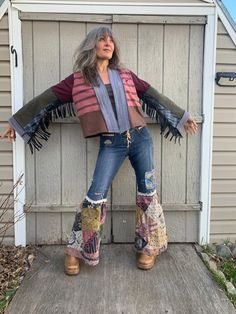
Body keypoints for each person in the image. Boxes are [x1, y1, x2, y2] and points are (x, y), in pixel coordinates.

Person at [0, 26, 198, 275]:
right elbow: (46, 100)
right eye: (102, 39)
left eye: (111, 40)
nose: (108, 43)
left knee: (148, 192)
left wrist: (181, 116)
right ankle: (77, 250)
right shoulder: (78, 79)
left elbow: (153, 96)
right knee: (95, 195)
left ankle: (148, 247)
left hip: (140, 139)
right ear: (92, 45)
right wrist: (17, 123)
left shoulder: (125, 75)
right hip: (111, 144)